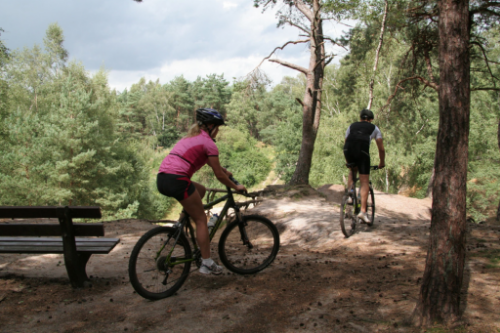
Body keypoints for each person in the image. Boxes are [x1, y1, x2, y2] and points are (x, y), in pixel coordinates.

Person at [157, 108, 247, 275]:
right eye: (217, 127)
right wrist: (236, 187)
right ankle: (206, 263)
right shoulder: (209, 143)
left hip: (163, 179)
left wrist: (224, 170)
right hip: (178, 180)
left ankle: (180, 225)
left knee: (202, 190)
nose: (218, 131)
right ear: (210, 126)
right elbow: (218, 175)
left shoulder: (190, 138)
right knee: (201, 220)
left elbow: (210, 163)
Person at [343, 108, 385, 223]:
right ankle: (363, 212)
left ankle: (351, 194)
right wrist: (382, 162)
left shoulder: (351, 126)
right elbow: (381, 149)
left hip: (348, 150)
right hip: (362, 151)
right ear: (371, 119)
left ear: (360, 118)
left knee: (352, 170)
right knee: (364, 181)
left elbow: (346, 142)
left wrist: (348, 161)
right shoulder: (374, 128)